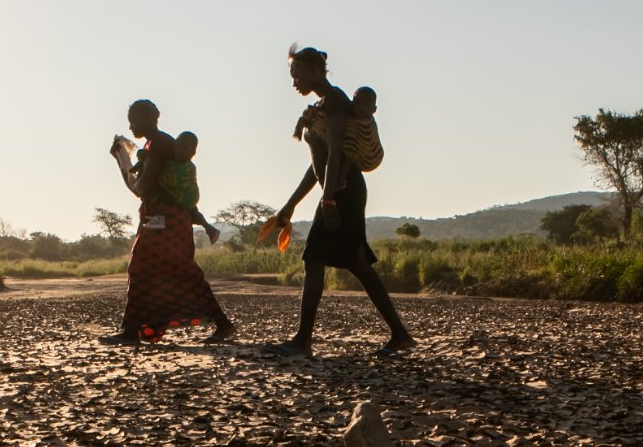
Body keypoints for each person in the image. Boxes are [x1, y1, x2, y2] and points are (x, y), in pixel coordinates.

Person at [264, 46, 415, 356]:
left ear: (316, 72)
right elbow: (316, 163)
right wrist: (291, 203)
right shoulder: (322, 104)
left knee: (315, 259)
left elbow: (336, 152)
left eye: (298, 74)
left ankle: (303, 341)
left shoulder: (334, 102)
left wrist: (329, 199)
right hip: (336, 191)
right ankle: (399, 333)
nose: (294, 82)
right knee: (356, 262)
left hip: (342, 192)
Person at [103, 100, 235, 344]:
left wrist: (123, 166)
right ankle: (221, 323)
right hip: (166, 219)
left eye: (135, 119)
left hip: (165, 221)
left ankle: (132, 331)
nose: (131, 125)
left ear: (152, 118)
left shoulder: (159, 145)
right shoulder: (156, 144)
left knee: (147, 269)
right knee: (174, 271)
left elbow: (143, 187)